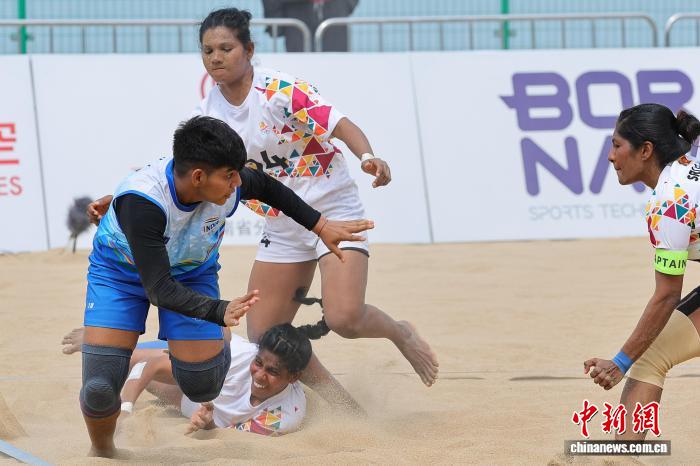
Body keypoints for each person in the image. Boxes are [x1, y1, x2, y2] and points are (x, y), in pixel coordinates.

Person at [88, 8, 439, 398]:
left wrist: (368, 157)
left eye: (226, 48)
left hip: (332, 209)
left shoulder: (279, 91)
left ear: (249, 50)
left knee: (344, 317)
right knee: (264, 334)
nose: (215, 58)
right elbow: (180, 170)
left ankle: (399, 332)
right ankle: (342, 405)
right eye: (207, 51)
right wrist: (120, 198)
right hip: (282, 223)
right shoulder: (207, 113)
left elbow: (339, 123)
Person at [80, 115, 370, 457]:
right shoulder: (143, 203)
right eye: (230, 176)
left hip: (191, 271)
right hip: (120, 274)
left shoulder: (226, 179)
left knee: (202, 384)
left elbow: (269, 188)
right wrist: (219, 311)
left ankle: (211, 348)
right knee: (99, 387)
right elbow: (159, 290)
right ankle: (103, 452)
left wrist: (320, 226)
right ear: (198, 177)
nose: (237, 183)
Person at [584, 103, 700, 440]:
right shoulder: (687, 167)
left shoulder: (670, 202)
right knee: (650, 352)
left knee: (648, 356)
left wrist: (620, 362)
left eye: (617, 145)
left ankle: (620, 459)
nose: (610, 156)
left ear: (646, 150)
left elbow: (667, 296)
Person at [119, 322, 321, 436]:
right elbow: (150, 365)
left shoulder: (282, 417)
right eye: (258, 363)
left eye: (273, 371)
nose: (260, 374)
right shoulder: (237, 356)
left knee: (130, 365)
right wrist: (124, 411)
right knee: (120, 357)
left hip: (188, 397)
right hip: (199, 358)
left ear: (294, 377)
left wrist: (209, 426)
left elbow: (234, 436)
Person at [261, 0, 359, 52]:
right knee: (299, 67)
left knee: (336, 64)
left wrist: (345, 5)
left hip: (334, 13)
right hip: (296, 15)